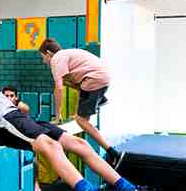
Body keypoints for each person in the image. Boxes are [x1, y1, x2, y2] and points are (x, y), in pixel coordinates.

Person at [0, 28, 168, 191]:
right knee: (50, 146)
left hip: (18, 118)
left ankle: (128, 190)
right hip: (3, 124)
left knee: (79, 144)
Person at [39, 38, 125, 169]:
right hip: (101, 78)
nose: (43, 61)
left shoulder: (57, 59)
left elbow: (59, 89)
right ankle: (101, 99)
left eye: (43, 57)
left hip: (94, 79)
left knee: (81, 121)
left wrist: (57, 116)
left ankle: (113, 153)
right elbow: (69, 80)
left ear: (49, 53)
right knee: (67, 80)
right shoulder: (68, 54)